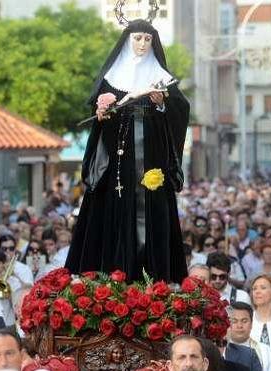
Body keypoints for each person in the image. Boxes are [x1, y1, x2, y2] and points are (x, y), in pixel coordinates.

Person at [65, 18, 189, 284]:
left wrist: (161, 106)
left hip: (151, 167)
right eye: (137, 38)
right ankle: (111, 277)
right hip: (117, 169)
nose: (142, 44)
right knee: (113, 217)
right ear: (127, 41)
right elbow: (98, 123)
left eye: (147, 39)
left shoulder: (162, 79)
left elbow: (181, 113)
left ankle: (152, 278)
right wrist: (102, 113)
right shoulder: (111, 78)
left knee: (151, 219)